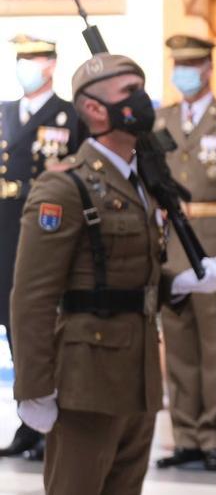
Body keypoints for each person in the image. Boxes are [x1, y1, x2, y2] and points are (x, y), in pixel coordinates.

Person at [10, 53, 216, 494]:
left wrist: (176, 283)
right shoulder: (65, 186)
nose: (143, 100)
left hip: (138, 374)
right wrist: (32, 388)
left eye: (143, 89)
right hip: (84, 377)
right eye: (130, 92)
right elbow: (32, 295)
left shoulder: (142, 182)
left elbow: (127, 273)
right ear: (93, 108)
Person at [155, 35, 216, 472]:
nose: (184, 72)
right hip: (173, 243)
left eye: (192, 64)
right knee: (178, 346)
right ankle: (186, 434)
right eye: (178, 64)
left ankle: (215, 435)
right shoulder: (161, 121)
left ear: (209, 68)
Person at [0, 35, 81, 461]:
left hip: (46, 232)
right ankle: (28, 423)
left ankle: (55, 422)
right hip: (4, 235)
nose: (24, 66)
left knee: (48, 329)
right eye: (19, 59)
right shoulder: (4, 112)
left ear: (50, 64)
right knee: (17, 331)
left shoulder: (68, 115)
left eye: (31, 59)